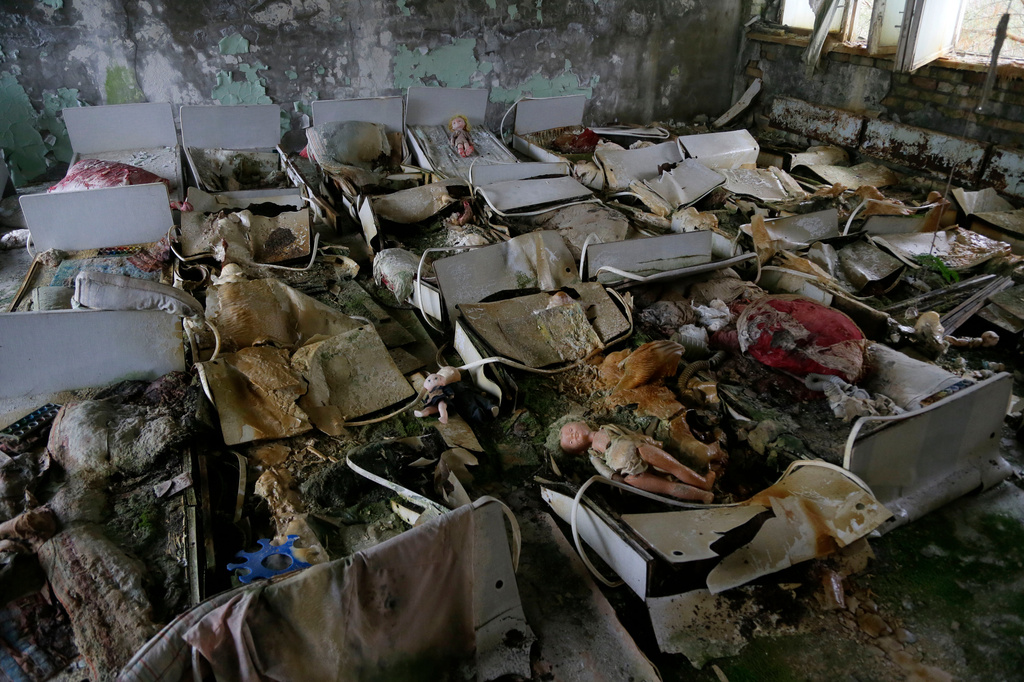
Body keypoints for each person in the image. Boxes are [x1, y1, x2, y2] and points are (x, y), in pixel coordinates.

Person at [560, 422, 715, 503]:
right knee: (668, 487)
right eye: (571, 441)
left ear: (583, 422)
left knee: (675, 467)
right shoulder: (594, 456)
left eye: (571, 430)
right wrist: (617, 479)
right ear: (580, 452)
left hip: (637, 448)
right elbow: (604, 471)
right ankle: (703, 496)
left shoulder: (606, 429)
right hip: (629, 472)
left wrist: (650, 442)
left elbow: (631, 434)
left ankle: (703, 482)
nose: (573, 435)